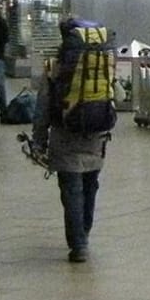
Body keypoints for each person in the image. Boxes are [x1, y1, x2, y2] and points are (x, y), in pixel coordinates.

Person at [33, 35, 111, 263]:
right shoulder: (101, 66)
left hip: (64, 137)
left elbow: (42, 109)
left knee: (72, 191)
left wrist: (39, 141)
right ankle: (83, 232)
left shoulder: (54, 69)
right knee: (90, 187)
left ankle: (79, 245)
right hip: (95, 138)